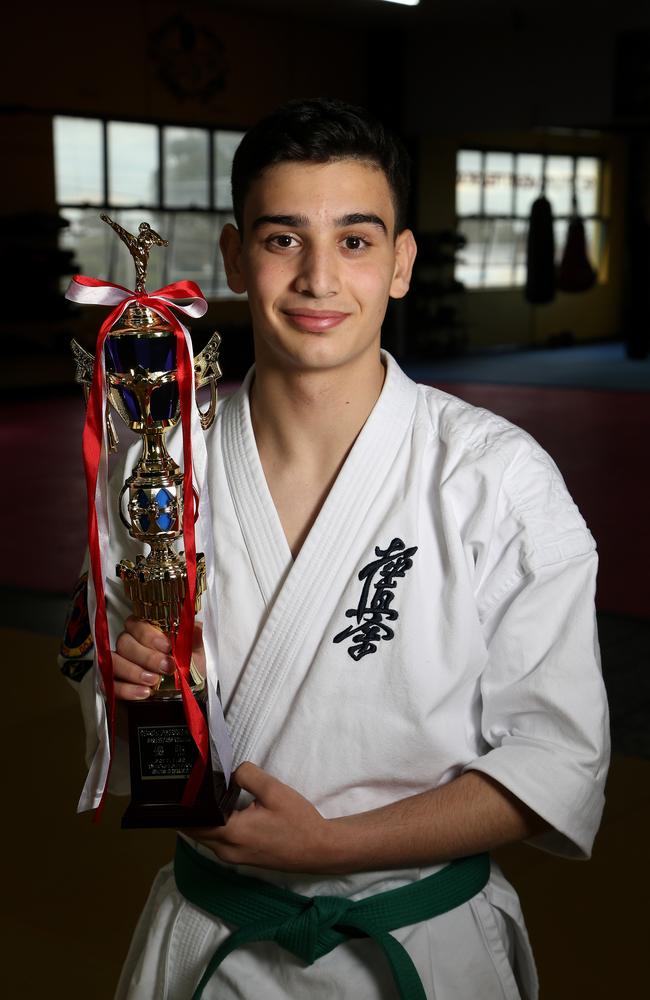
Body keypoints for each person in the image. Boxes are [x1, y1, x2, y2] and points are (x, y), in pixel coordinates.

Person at [65, 98, 609, 999]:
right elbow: (126, 733)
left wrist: (335, 847)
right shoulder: (156, 472)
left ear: (401, 264)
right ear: (236, 261)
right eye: (284, 240)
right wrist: (130, 686)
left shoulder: (495, 476)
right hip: (213, 941)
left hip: (424, 949)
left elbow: (558, 759)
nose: (319, 278)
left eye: (355, 241)